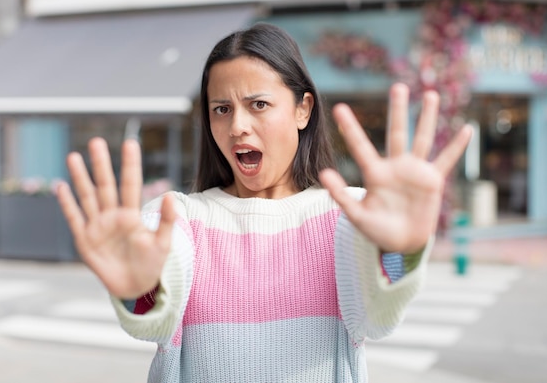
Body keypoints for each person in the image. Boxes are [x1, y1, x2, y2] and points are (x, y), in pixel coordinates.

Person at [56, 22, 472, 382]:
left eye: (258, 105)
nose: (237, 126)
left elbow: (378, 317)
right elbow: (156, 317)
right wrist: (139, 290)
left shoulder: (347, 216)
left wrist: (399, 251)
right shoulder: (180, 218)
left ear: (302, 109)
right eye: (221, 109)